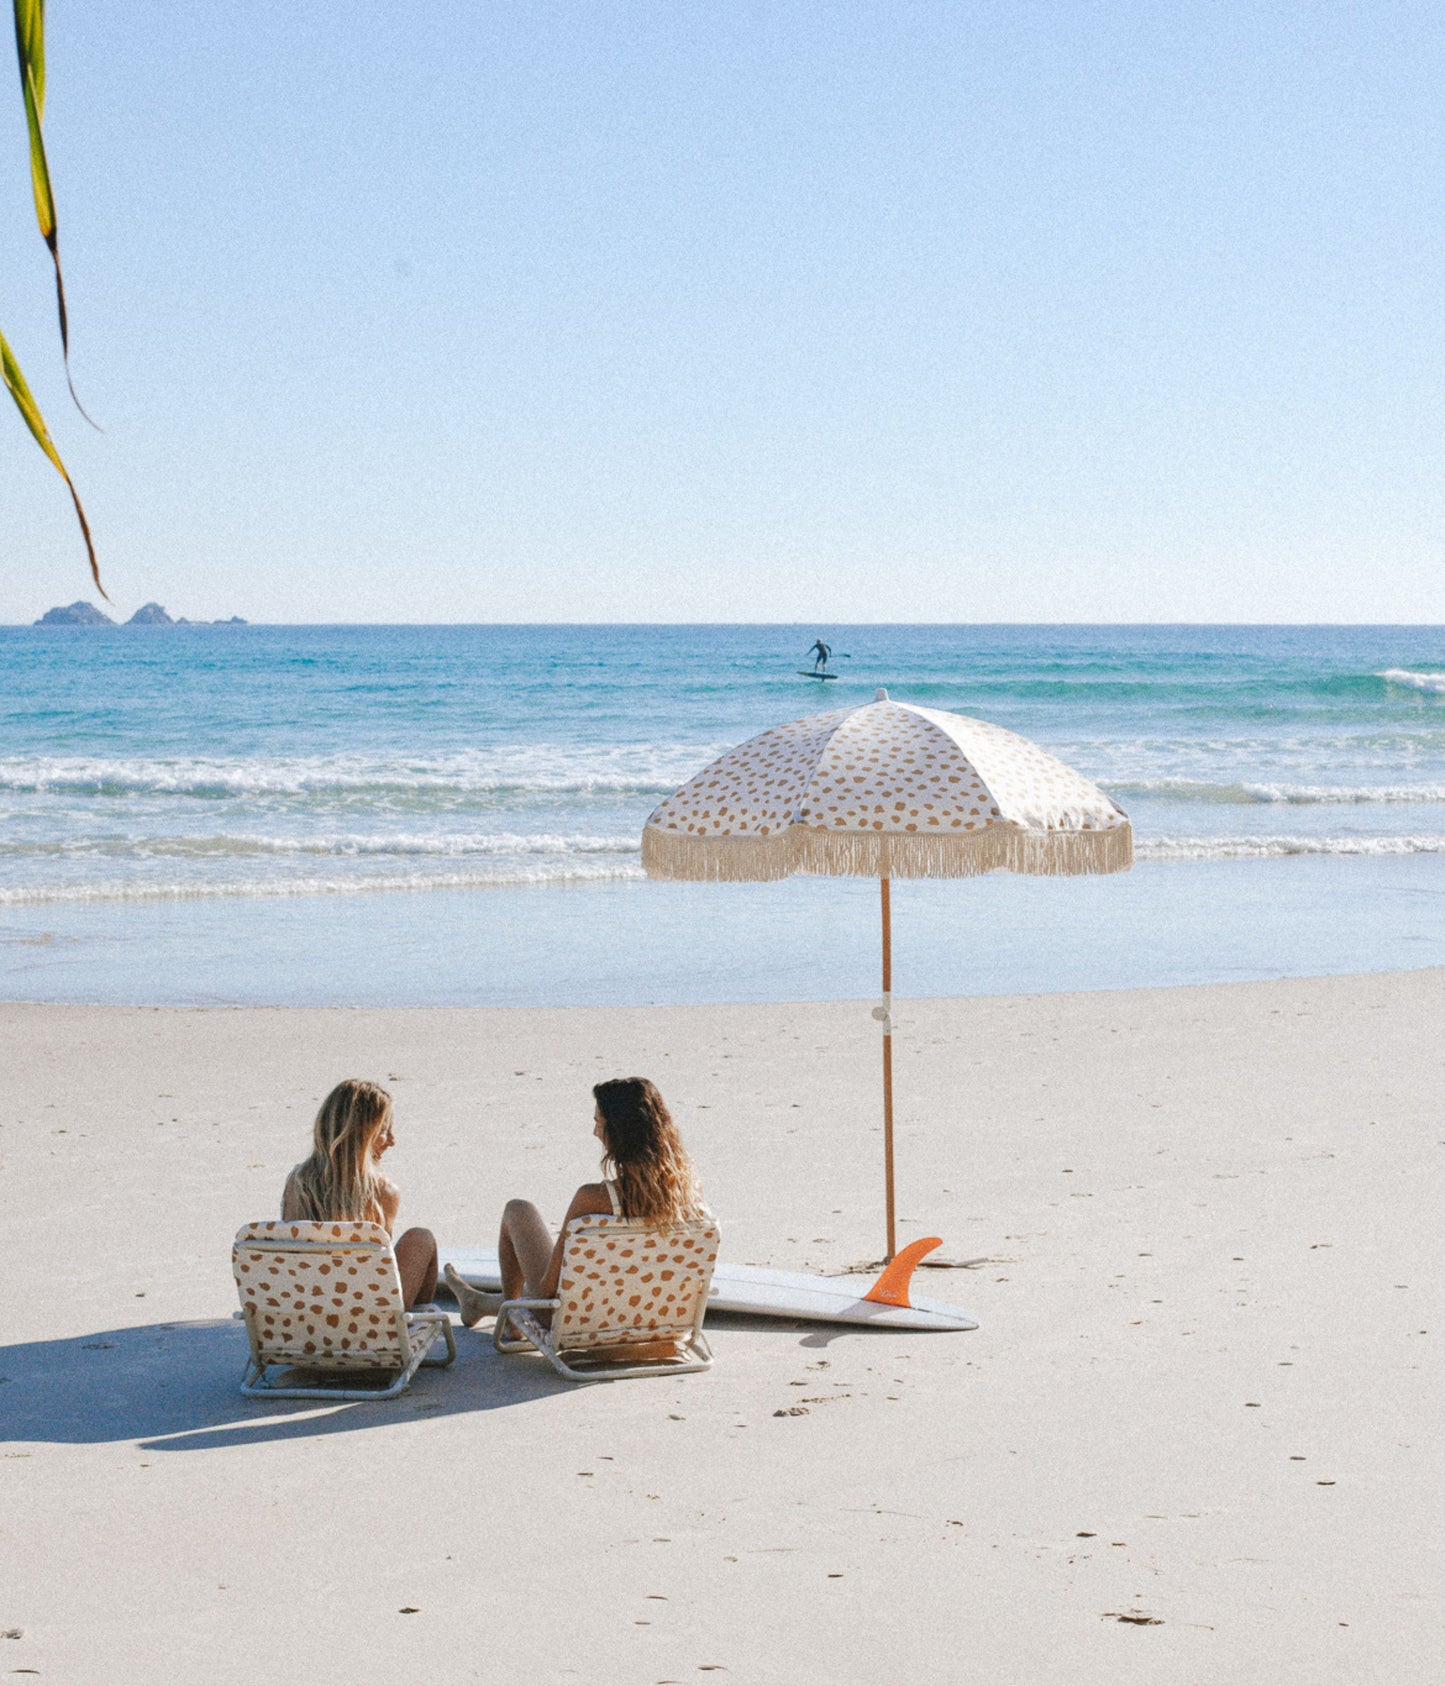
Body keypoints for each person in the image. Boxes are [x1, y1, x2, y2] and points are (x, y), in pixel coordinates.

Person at [444, 1076, 704, 1329]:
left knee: (518, 1210)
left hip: (580, 1321)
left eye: (598, 1123)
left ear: (619, 1132)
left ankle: (506, 1317)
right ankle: (481, 1303)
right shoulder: (690, 1194)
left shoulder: (593, 1199)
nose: (594, 1132)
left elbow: (546, 1291)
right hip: (656, 1319)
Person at [281, 1078, 439, 1310]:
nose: (392, 1141)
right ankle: (415, 1323)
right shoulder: (384, 1193)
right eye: (385, 1131)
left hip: (304, 1315)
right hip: (366, 1322)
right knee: (421, 1238)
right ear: (362, 1134)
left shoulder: (298, 1183)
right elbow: (383, 1271)